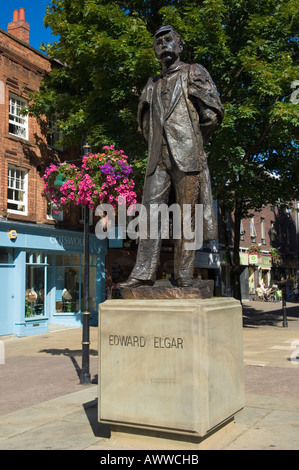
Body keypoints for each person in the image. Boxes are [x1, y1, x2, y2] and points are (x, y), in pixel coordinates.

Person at [120, 25, 224, 288]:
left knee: (186, 215)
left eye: (169, 40)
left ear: (180, 45)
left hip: (187, 155)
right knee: (150, 215)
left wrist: (193, 139)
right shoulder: (151, 84)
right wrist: (158, 143)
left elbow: (212, 113)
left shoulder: (194, 71)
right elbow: (144, 123)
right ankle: (143, 272)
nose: (163, 45)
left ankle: (184, 273)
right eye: (158, 42)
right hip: (158, 157)